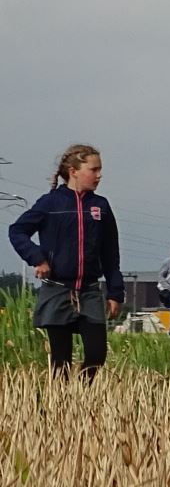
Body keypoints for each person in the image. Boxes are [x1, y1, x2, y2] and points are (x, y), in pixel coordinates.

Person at [8, 145, 122, 379]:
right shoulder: (50, 203)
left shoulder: (100, 206)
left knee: (96, 355)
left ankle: (80, 398)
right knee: (61, 362)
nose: (99, 175)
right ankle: (60, 407)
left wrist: (115, 292)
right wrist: (37, 258)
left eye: (100, 170)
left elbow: (111, 253)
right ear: (74, 171)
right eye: (94, 169)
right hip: (57, 290)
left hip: (90, 291)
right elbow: (17, 231)